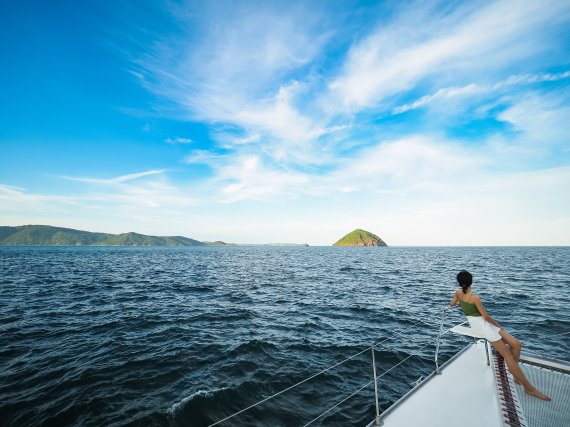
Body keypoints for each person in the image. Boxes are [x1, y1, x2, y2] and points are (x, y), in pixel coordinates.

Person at [450, 270, 550, 401]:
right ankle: (528, 388)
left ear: (460, 283)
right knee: (507, 354)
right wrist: (499, 326)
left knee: (516, 344)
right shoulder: (475, 298)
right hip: (483, 327)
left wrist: (460, 304)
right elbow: (486, 316)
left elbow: (452, 304)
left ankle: (515, 374)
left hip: (479, 323)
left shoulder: (458, 293)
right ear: (471, 281)